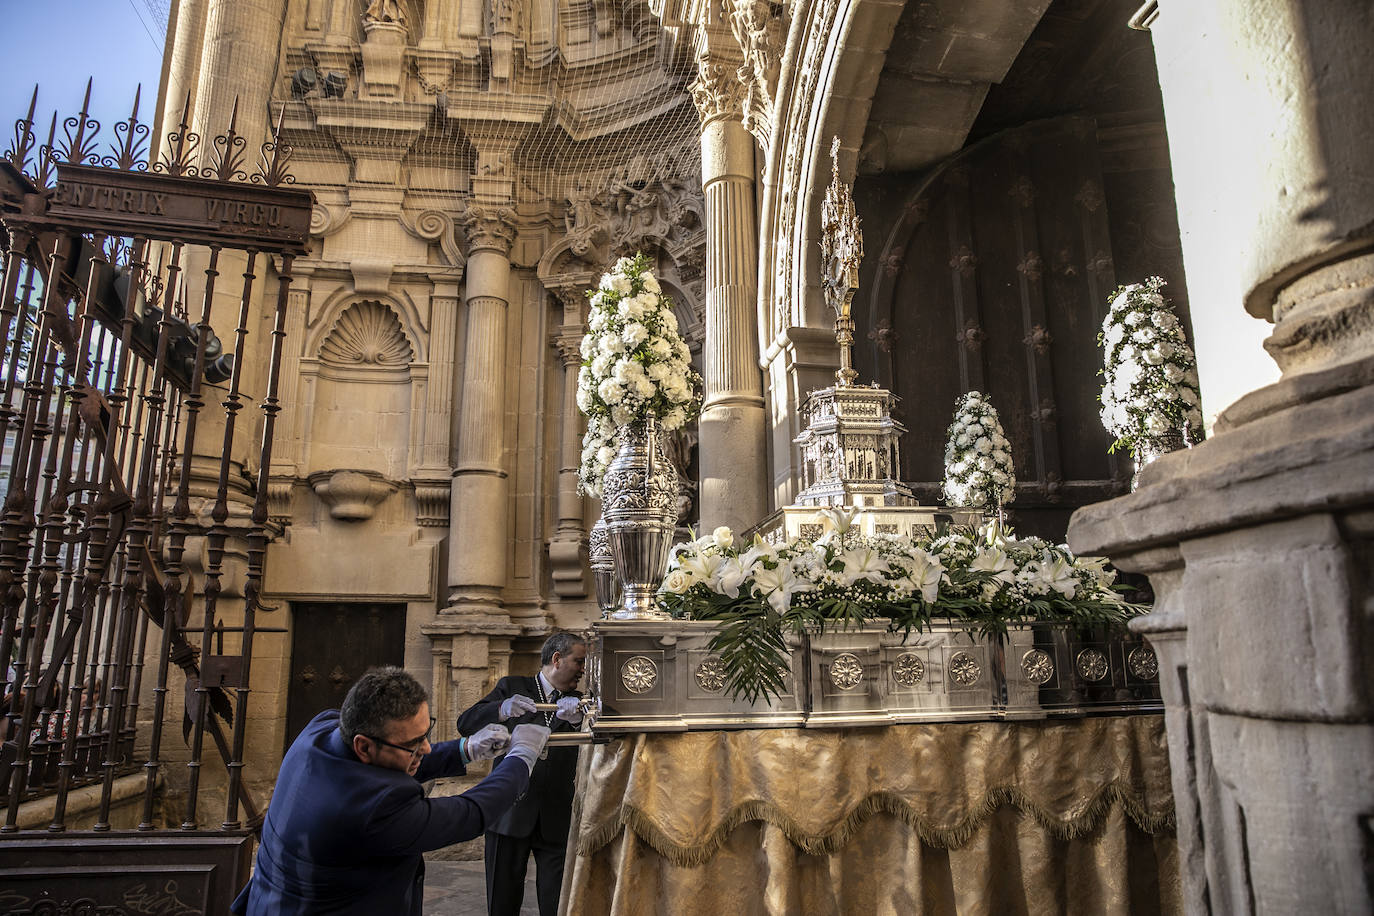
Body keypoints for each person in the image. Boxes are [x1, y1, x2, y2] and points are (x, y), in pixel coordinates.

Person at [231, 666, 549, 916]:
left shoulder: (322, 728)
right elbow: (470, 813)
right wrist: (522, 756)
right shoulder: (375, 810)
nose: (425, 747)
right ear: (363, 745)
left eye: (426, 733)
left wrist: (465, 749)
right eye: (414, 743)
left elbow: (383, 763)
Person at [457, 631, 588, 916]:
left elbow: (611, 733)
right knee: (502, 902)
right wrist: (501, 709)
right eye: (578, 661)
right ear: (557, 659)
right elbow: (465, 723)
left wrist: (581, 720)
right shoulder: (512, 686)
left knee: (558, 905)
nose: (582, 669)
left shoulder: (580, 701)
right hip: (508, 812)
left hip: (557, 817)